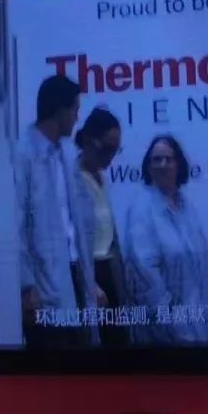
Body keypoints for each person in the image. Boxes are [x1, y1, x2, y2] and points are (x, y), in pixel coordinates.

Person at [14, 75, 99, 349]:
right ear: (60, 110)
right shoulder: (22, 155)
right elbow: (15, 226)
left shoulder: (66, 154)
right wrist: (26, 285)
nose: (77, 117)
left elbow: (77, 223)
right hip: (42, 286)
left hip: (74, 276)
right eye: (74, 109)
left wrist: (90, 281)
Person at [124, 135, 208, 344]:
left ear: (179, 164)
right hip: (164, 334)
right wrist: (170, 323)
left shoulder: (187, 207)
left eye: (168, 159)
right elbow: (145, 276)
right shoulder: (141, 211)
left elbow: (203, 264)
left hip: (198, 327)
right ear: (148, 167)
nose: (163, 164)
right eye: (156, 160)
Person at [73, 107, 129, 348]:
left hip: (109, 269)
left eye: (115, 150)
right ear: (88, 141)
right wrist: (90, 284)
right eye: (106, 149)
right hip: (86, 273)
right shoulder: (71, 180)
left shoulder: (102, 178)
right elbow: (69, 240)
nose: (110, 157)